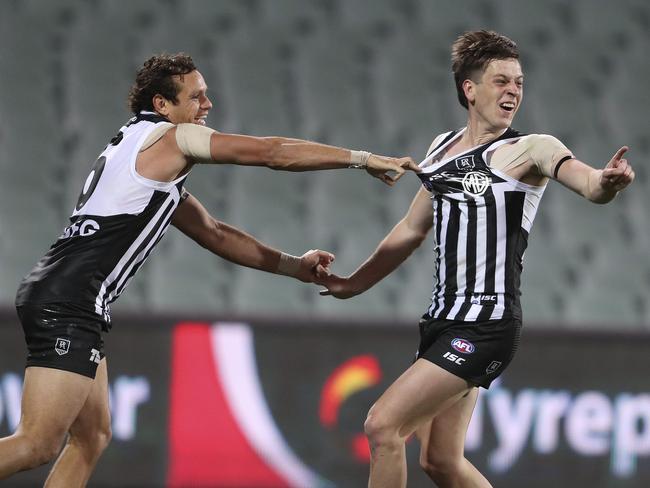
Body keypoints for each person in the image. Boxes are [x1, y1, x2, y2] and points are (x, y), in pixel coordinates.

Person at [0, 53, 419, 486]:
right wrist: (362, 158)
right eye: (196, 96)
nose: (208, 105)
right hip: (68, 300)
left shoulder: (142, 152)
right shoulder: (170, 140)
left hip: (66, 294)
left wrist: (296, 267)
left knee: (92, 437)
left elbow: (216, 233)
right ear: (162, 104)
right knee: (36, 444)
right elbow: (271, 153)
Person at [317, 30, 635, 488]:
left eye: (519, 83)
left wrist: (607, 182)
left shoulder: (531, 149)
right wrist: (355, 283)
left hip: (486, 325)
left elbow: (589, 185)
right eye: (502, 81)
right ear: (470, 89)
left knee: (382, 426)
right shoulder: (440, 149)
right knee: (441, 462)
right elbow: (411, 228)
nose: (513, 92)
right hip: (442, 322)